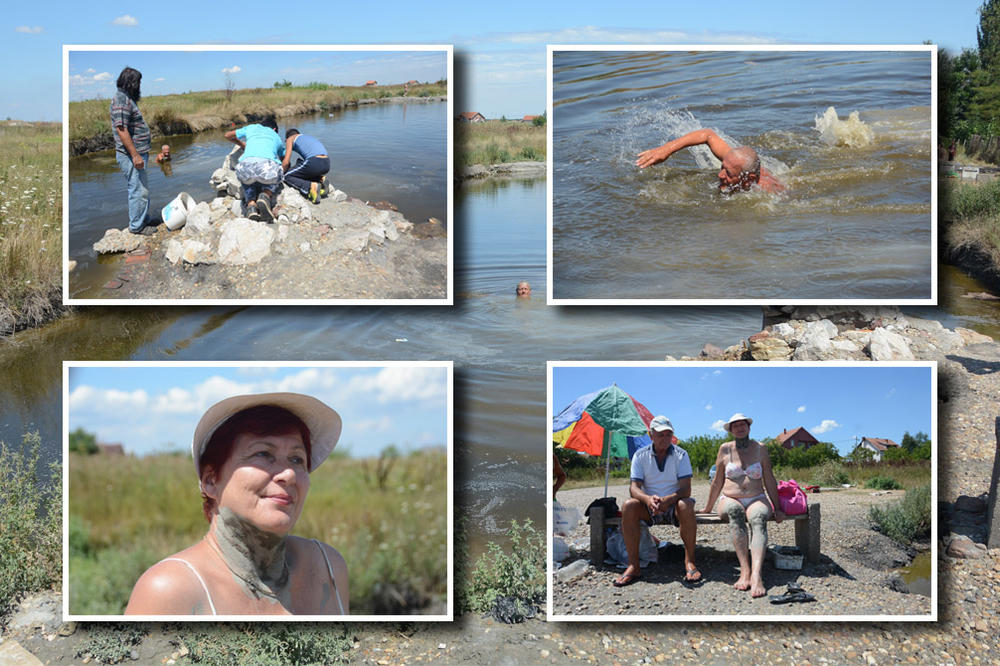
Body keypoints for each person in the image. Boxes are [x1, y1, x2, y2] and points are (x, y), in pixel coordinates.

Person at [125, 393, 349, 615]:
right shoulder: (170, 590)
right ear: (211, 481)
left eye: (297, 459)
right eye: (263, 454)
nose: (289, 474)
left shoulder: (327, 567)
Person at [699, 413, 785, 598]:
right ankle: (744, 570)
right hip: (730, 498)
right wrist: (707, 508)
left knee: (758, 518)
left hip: (757, 497)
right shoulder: (724, 449)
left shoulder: (761, 448)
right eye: (735, 425)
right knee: (735, 512)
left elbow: (769, 478)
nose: (739, 428)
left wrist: (777, 508)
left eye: (742, 424)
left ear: (749, 427)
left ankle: (757, 574)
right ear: (731, 430)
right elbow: (717, 481)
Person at [612, 415, 700, 587]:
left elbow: (685, 489)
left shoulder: (681, 455)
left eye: (668, 434)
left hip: (674, 505)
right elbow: (634, 488)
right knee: (629, 505)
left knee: (686, 504)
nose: (665, 438)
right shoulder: (640, 455)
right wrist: (647, 499)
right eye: (660, 434)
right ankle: (633, 565)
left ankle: (690, 561)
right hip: (649, 505)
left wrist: (669, 500)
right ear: (650, 435)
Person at [636, 128, 784, 194]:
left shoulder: (766, 192)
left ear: (748, 179)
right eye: (722, 167)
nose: (720, 175)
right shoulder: (733, 161)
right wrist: (667, 149)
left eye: (728, 173)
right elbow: (707, 134)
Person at [110, 67, 152, 234]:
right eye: (138, 82)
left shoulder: (126, 98)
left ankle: (144, 219)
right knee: (137, 190)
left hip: (137, 153)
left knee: (142, 189)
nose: (139, 86)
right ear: (131, 83)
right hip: (130, 155)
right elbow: (121, 129)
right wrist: (135, 155)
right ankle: (137, 227)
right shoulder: (121, 100)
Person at [225, 118, 285, 222]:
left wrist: (242, 144)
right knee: (279, 171)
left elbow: (227, 135)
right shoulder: (277, 137)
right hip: (265, 168)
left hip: (245, 167)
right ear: (274, 129)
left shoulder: (251, 127)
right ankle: (265, 195)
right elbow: (283, 158)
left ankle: (251, 205)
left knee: (247, 179)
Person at [282, 129, 330, 204]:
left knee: (287, 176)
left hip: (314, 161)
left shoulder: (290, 139)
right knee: (299, 163)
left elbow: (286, 162)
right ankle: (320, 179)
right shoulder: (306, 137)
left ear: (286, 138)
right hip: (326, 163)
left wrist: (281, 173)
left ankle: (310, 186)